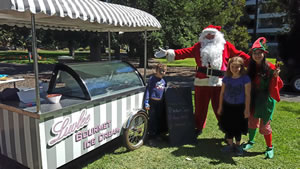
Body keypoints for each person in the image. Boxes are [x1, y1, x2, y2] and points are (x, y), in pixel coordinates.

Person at [154, 25, 250, 135]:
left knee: (222, 107)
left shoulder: (226, 46)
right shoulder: (198, 46)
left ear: (217, 35)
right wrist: (169, 53)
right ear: (203, 35)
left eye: (212, 34)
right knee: (200, 107)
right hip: (201, 82)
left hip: (220, 83)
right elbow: (185, 52)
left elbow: (240, 55)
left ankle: (226, 128)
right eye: (207, 34)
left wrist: (255, 62)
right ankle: (198, 127)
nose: (209, 36)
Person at [242, 37, 283, 159]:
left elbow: (277, 85)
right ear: (252, 55)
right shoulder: (251, 66)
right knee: (252, 122)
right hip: (253, 99)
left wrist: (275, 76)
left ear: (264, 54)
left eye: (260, 53)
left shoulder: (270, 67)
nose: (257, 55)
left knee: (264, 126)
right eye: (255, 53)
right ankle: (251, 141)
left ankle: (269, 147)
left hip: (266, 100)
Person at [217, 57, 251, 156]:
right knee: (229, 126)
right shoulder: (226, 78)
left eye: (237, 67)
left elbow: (248, 95)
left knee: (238, 126)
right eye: (232, 66)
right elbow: (222, 93)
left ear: (241, 67)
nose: (235, 69)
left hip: (240, 107)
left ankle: (237, 145)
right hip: (228, 106)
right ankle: (230, 145)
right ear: (229, 67)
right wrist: (220, 107)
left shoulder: (245, 79)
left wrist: (247, 109)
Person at [144, 63, 167, 144]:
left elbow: (165, 90)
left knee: (159, 118)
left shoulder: (164, 80)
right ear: (156, 71)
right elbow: (147, 90)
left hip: (160, 103)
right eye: (161, 71)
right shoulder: (152, 79)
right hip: (153, 103)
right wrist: (146, 102)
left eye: (164, 71)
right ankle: (151, 135)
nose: (163, 73)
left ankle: (158, 134)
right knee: (152, 119)